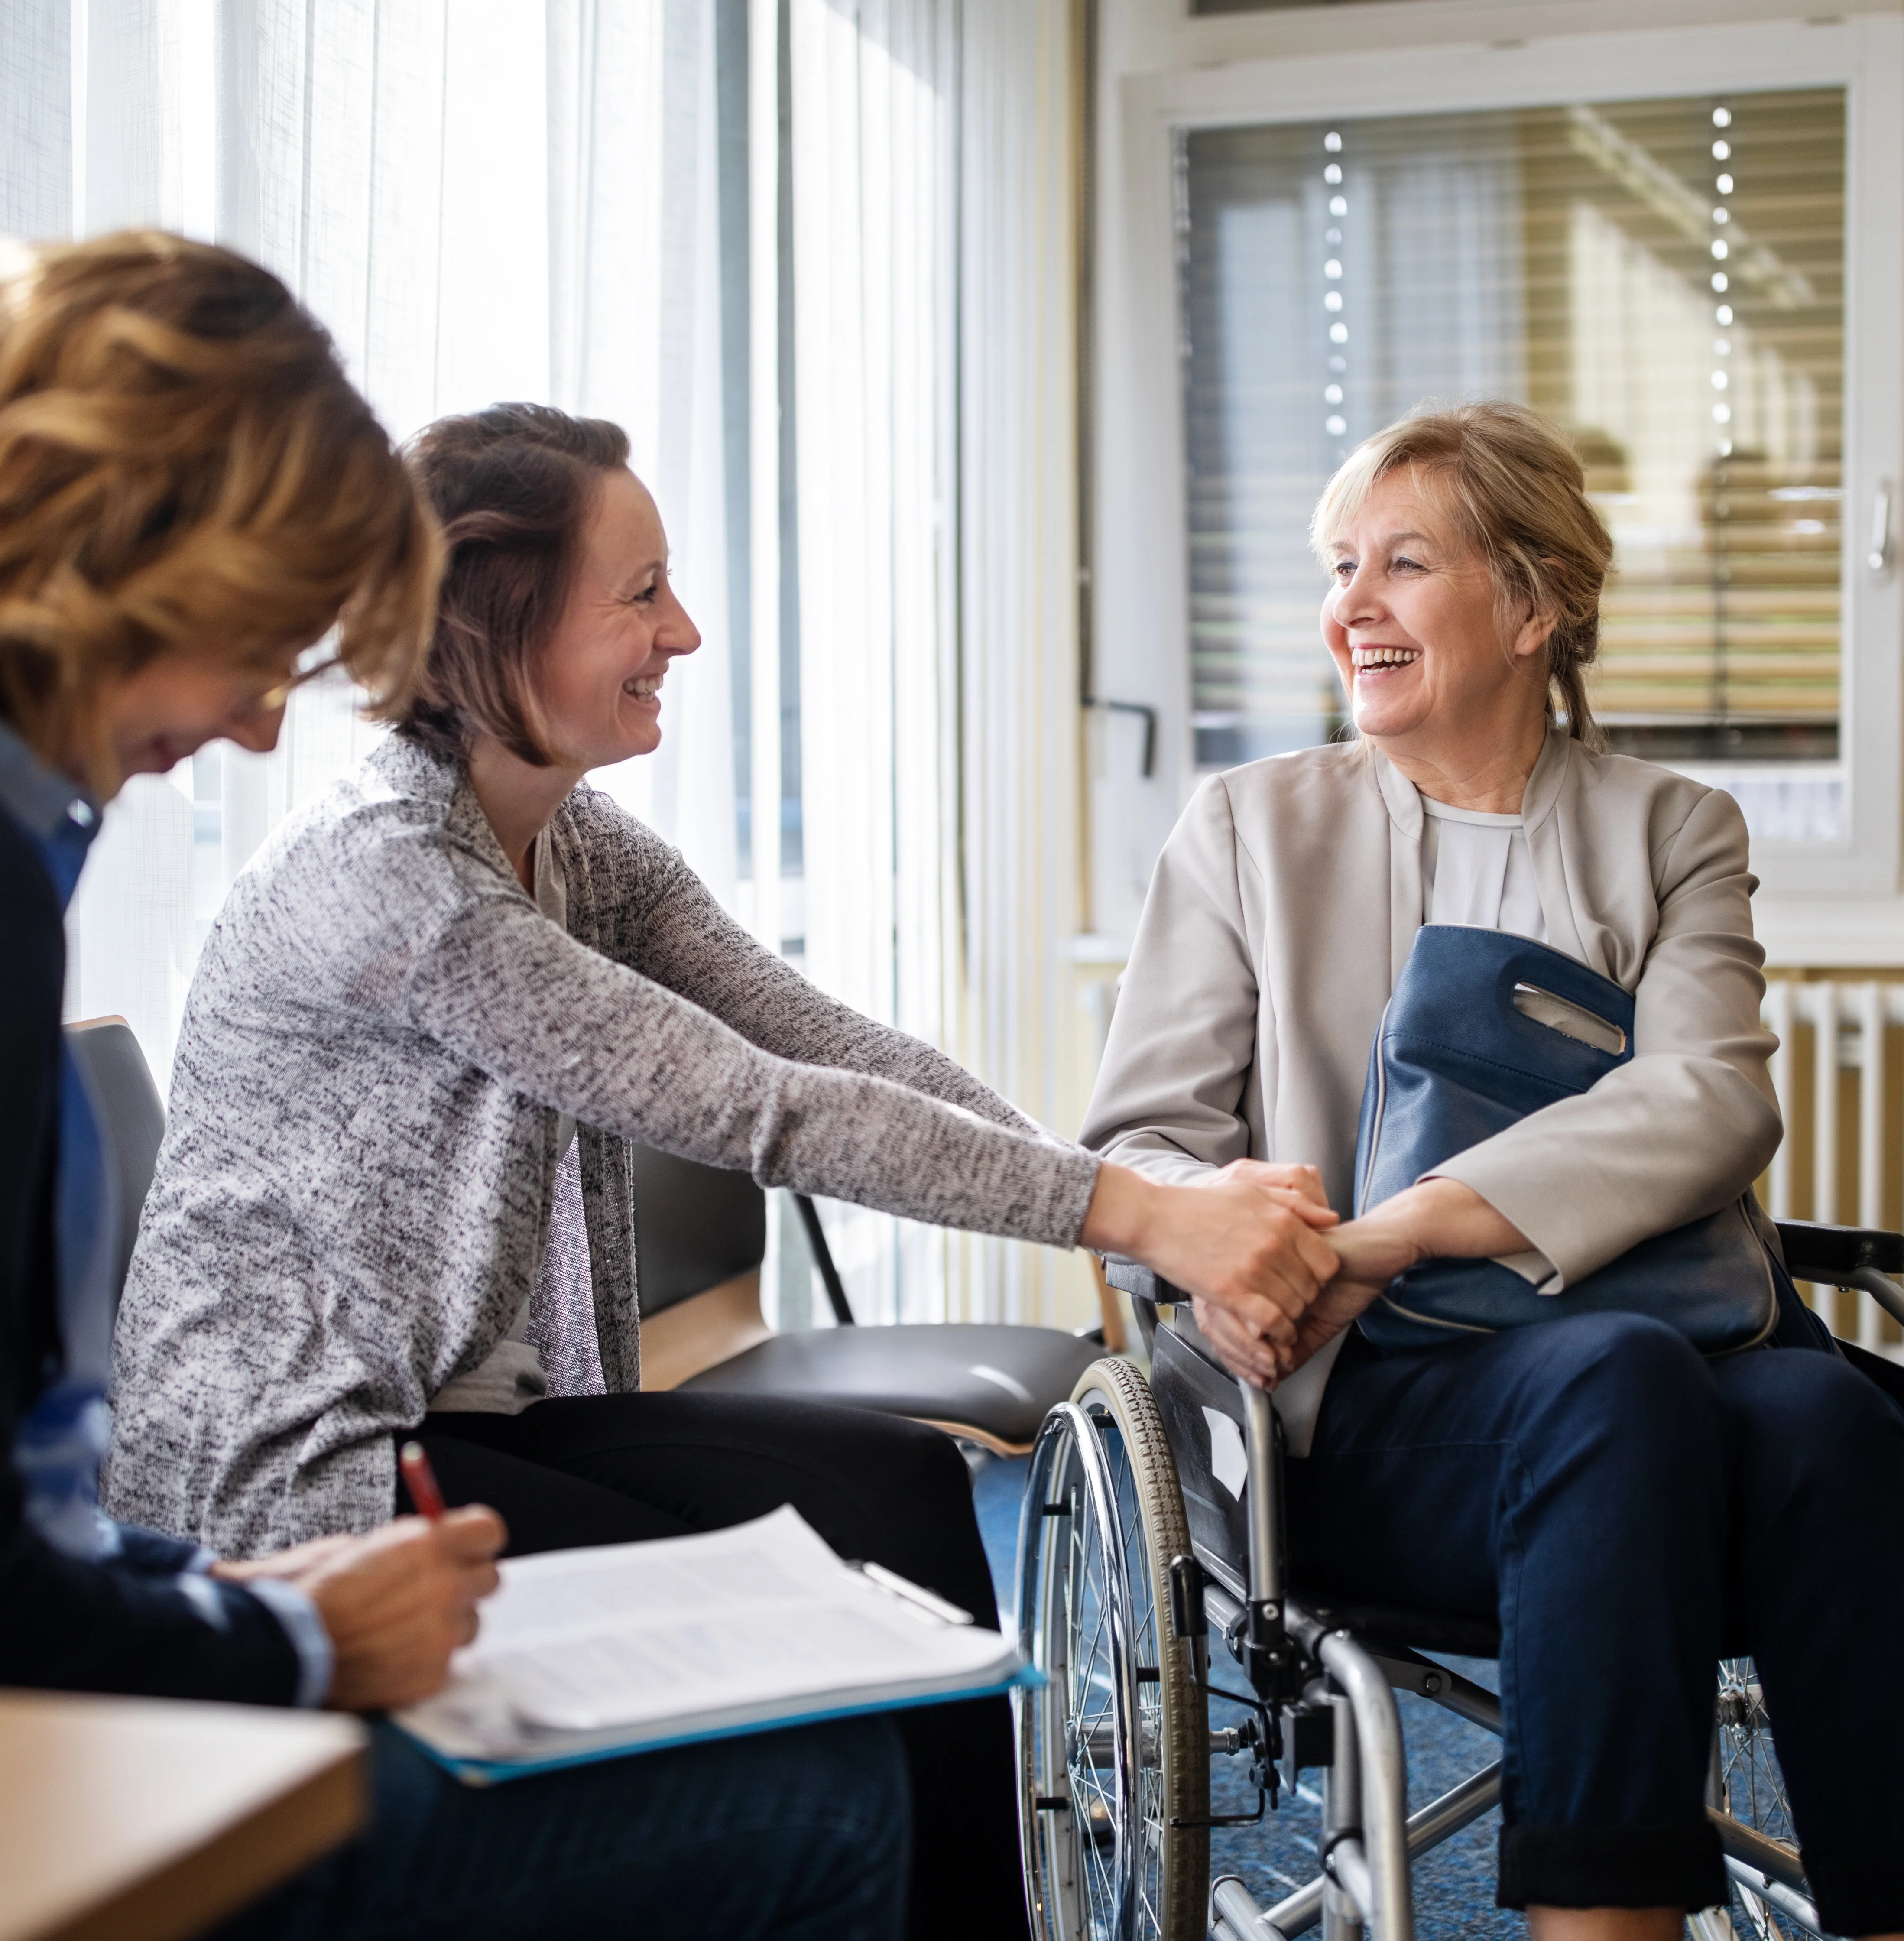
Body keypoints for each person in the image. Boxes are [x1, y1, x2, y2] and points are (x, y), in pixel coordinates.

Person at [0, 233, 910, 1941]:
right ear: (126, 555)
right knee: (815, 1803)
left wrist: (209, 1593)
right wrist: (293, 1637)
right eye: (262, 641)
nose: (251, 724)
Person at [103, 401, 1337, 1937]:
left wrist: (1135, 1226)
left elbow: (820, 1041)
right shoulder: (395, 881)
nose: (682, 631)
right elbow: (760, 1109)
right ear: (496, 627)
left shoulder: (583, 848)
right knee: (807, 1657)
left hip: (472, 1420)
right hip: (304, 1473)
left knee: (889, 1485)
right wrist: (1150, 1210)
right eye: (639, 595)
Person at [1077, 402, 1904, 1941]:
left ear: (1537, 606)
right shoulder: (1249, 830)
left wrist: (1388, 1231)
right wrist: (1211, 1251)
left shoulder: (1670, 829)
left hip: (1655, 1364)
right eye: (1341, 568)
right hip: (1367, 1415)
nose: (1353, 606)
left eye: (1405, 562)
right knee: (1619, 1380)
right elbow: (1140, 1145)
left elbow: (1712, 1099)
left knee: (1830, 1413)